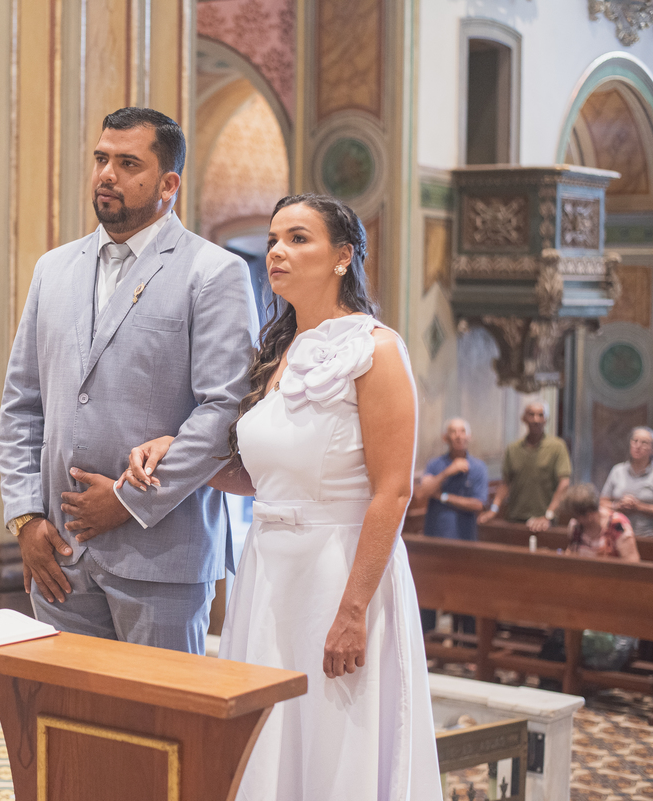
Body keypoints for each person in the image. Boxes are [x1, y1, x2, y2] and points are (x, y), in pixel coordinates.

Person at [124, 194, 440, 799]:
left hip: (340, 572)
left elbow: (393, 491)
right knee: (267, 736)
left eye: (298, 239)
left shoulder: (376, 350)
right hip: (269, 572)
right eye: (272, 239)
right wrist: (175, 448)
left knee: (332, 736)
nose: (276, 252)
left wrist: (351, 612)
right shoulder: (277, 352)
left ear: (343, 256)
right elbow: (260, 478)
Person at [0, 107, 258, 654]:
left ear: (169, 184)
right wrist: (26, 518)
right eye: (100, 159)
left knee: (157, 730)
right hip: (60, 555)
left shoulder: (213, 272)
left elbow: (225, 410)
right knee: (64, 723)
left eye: (127, 163)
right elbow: (23, 404)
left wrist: (128, 501)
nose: (106, 175)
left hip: (160, 554)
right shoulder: (54, 269)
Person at [537, 483, 640, 683]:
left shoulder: (617, 526)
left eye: (579, 515)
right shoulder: (576, 528)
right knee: (554, 645)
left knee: (595, 648)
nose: (576, 520)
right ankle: (558, 682)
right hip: (580, 601)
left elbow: (633, 573)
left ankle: (579, 682)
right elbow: (572, 560)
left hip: (613, 605)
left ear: (590, 513)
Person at [416, 418, 488, 635]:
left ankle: (466, 645)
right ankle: (428, 645)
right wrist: (448, 472)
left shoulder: (478, 467)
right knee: (428, 594)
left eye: (462, 431)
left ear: (469, 436)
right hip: (434, 539)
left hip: (464, 542)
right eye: (453, 432)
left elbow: (477, 504)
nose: (458, 435)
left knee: (466, 594)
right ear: (445, 438)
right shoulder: (435, 465)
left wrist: (443, 496)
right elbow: (421, 495)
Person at [478, 402, 571, 532]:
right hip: (515, 518)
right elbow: (505, 483)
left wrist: (548, 515)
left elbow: (564, 483)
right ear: (524, 418)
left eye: (540, 415)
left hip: (544, 521)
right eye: (531, 415)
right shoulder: (513, 449)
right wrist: (493, 510)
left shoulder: (557, 447)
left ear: (546, 419)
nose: (536, 419)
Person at [601, 426, 653, 537]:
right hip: (618, 536)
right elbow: (602, 503)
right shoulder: (617, 471)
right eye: (635, 441)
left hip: (648, 537)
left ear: (652, 449)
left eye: (644, 443)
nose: (638, 446)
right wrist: (617, 506)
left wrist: (639, 507)